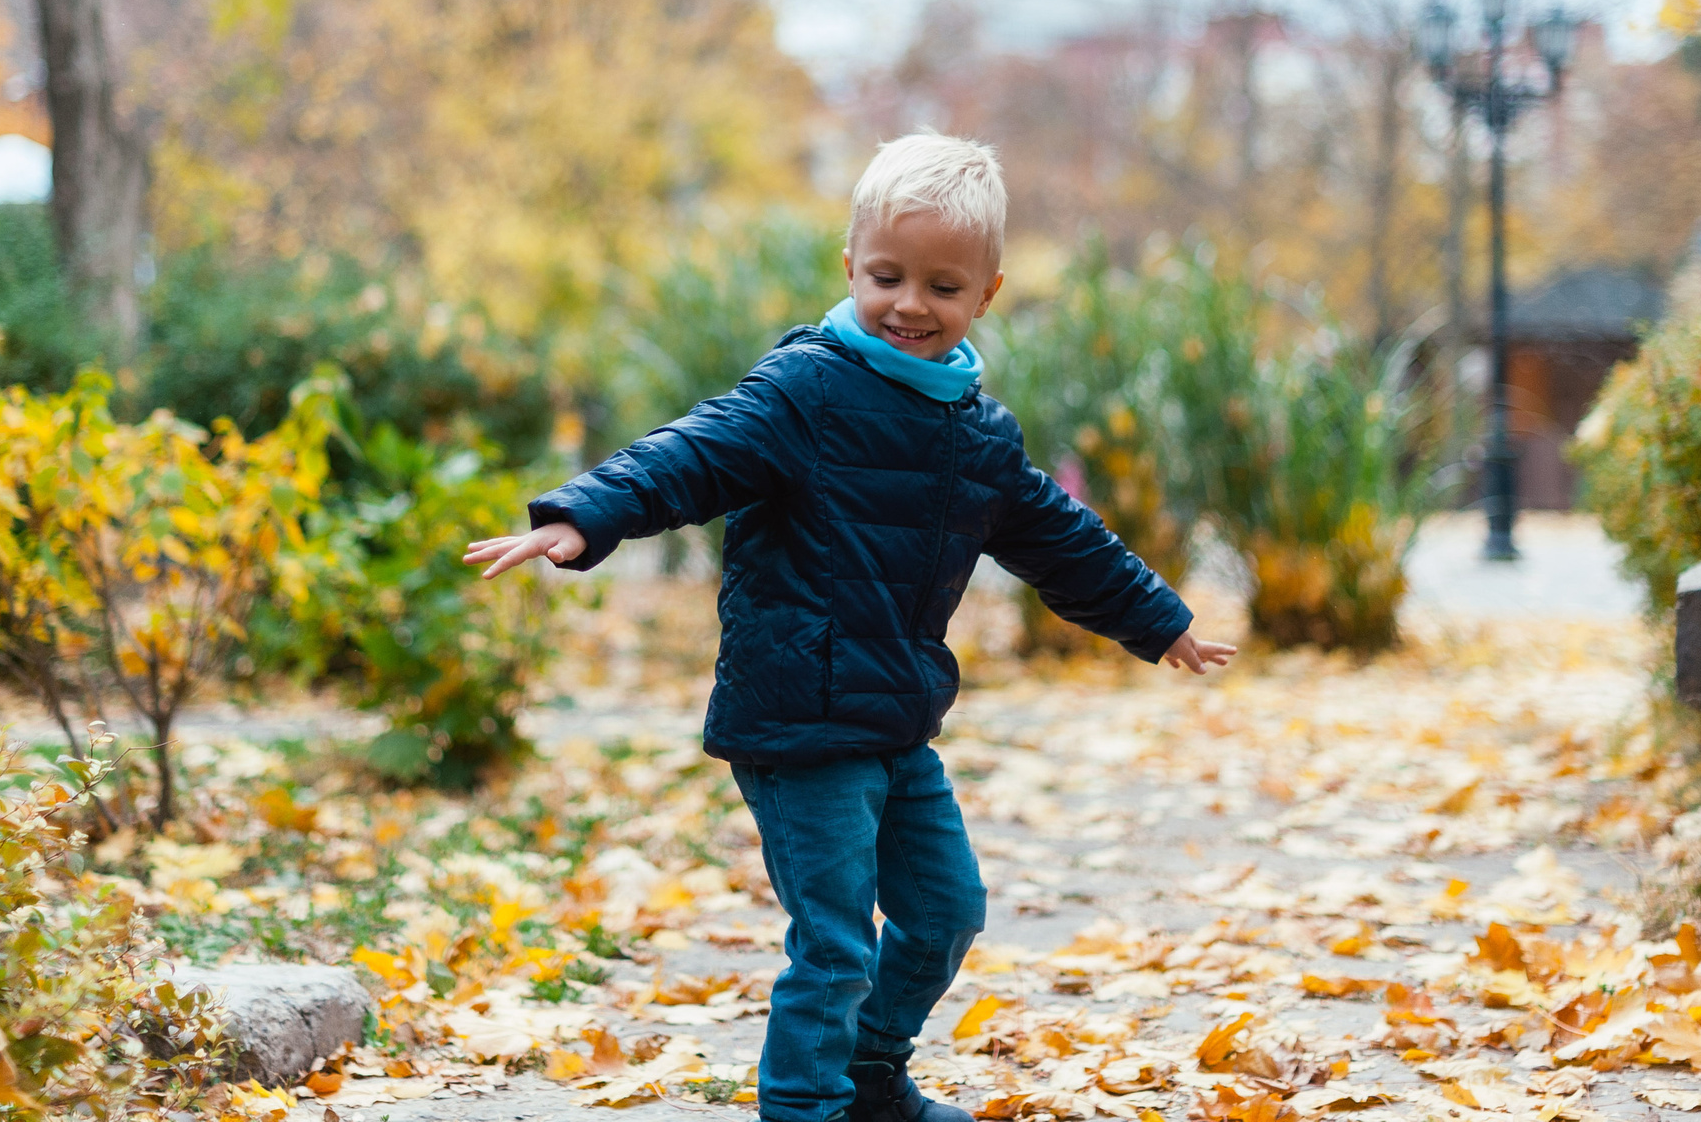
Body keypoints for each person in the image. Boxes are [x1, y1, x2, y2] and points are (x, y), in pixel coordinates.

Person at [466, 133, 1237, 1122]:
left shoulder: (977, 434)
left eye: (942, 286)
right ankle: (806, 1109)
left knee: (945, 912)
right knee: (834, 947)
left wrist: (1158, 620)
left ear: (987, 295)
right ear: (850, 268)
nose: (910, 303)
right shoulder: (806, 391)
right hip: (798, 723)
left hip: (896, 723)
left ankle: (871, 1081)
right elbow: (695, 451)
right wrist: (586, 513)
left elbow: (1062, 539)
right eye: (887, 277)